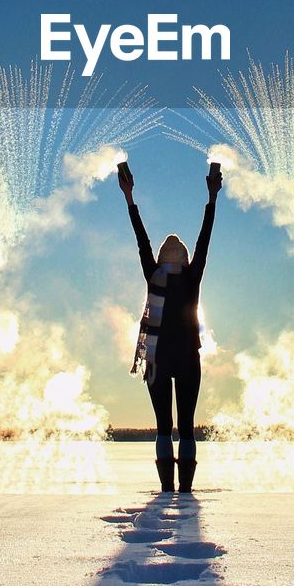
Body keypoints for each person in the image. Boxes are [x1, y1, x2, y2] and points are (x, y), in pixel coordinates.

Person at [120, 161, 222, 493]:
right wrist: (212, 197)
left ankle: (166, 491)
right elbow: (205, 239)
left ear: (163, 259)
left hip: (156, 359)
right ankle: (186, 493)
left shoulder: (154, 276)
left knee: (164, 427)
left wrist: (129, 197)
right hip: (188, 359)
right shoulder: (193, 277)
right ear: (186, 258)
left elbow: (141, 241)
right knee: (187, 427)